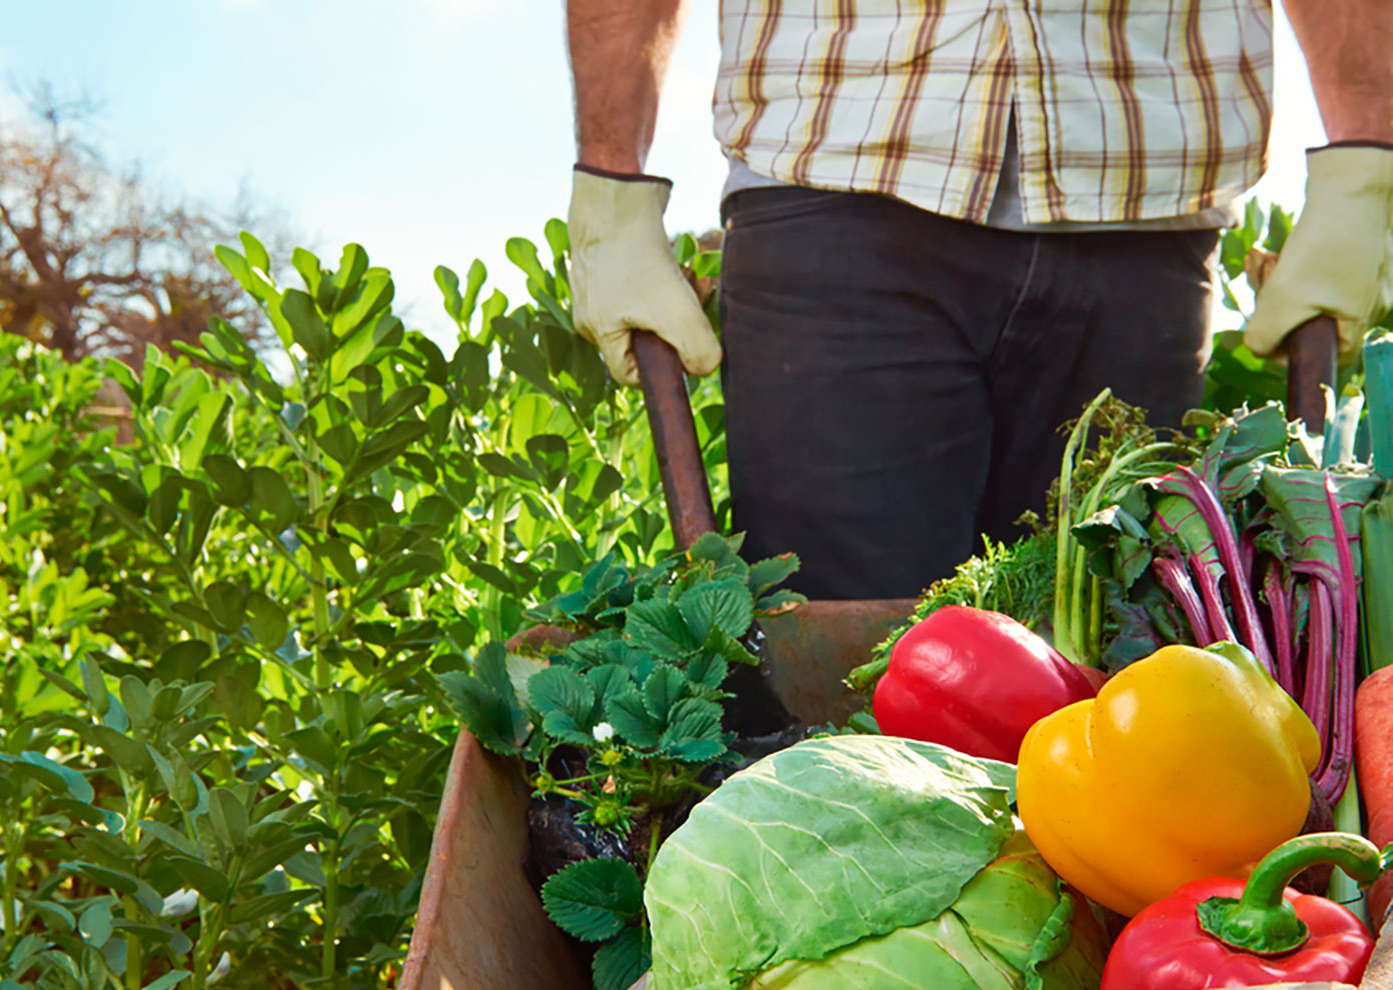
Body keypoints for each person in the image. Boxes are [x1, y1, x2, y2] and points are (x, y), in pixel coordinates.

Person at [564, 1, 1393, 600]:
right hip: (836, 178)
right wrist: (612, 179)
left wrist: (1366, 154)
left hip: (1141, 189)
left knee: (1117, 673)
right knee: (845, 699)